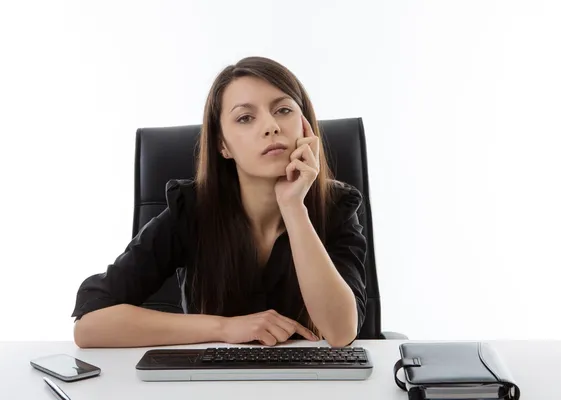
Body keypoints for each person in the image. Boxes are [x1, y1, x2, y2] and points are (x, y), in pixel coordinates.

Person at [72, 56, 368, 349]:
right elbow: (90, 325)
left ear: (306, 127)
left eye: (283, 110)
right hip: (212, 383)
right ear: (222, 145)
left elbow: (341, 333)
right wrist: (226, 327)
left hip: (313, 386)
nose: (270, 126)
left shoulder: (337, 206)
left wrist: (293, 207)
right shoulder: (193, 210)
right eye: (245, 118)